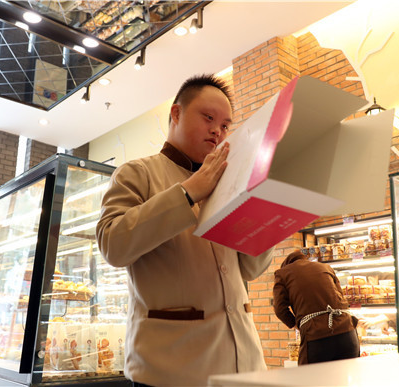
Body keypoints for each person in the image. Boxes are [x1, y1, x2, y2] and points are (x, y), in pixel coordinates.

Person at [96, 74, 274, 386]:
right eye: (208, 118)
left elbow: (250, 269)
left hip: (245, 364)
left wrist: (264, 221)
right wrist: (189, 191)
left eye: (225, 125)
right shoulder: (137, 173)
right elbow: (112, 244)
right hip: (170, 370)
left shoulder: (229, 184)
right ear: (176, 114)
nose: (217, 131)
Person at [273, 249, 360, 365]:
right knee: (347, 380)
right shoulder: (325, 267)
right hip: (347, 332)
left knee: (312, 380)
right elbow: (341, 296)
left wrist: (297, 324)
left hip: (316, 337)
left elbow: (279, 309)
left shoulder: (282, 274)